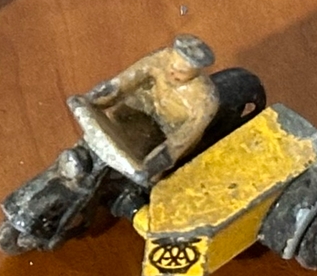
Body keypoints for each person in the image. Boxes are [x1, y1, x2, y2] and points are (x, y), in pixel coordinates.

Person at [79, 35, 221, 181]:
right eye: (172, 66)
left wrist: (154, 165)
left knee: (150, 176)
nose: (172, 73)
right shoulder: (161, 59)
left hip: (166, 132)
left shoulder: (204, 99)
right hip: (138, 111)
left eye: (181, 72)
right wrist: (92, 101)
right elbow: (124, 81)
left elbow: (182, 139)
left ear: (194, 73)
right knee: (110, 120)